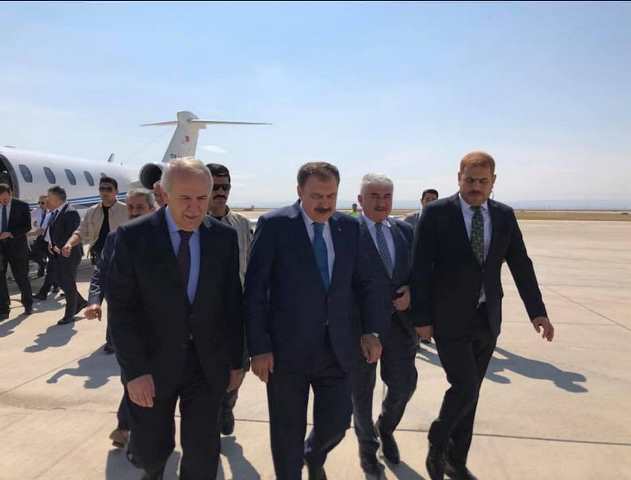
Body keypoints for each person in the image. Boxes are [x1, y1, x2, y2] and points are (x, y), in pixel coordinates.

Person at [410, 151, 554, 480]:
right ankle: (438, 440)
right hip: (448, 317)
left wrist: (538, 312)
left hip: (487, 316)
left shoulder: (503, 215)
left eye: (482, 181)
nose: (475, 186)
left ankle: (456, 460)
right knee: (464, 385)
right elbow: (420, 268)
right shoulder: (437, 213)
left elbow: (521, 264)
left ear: (493, 182)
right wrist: (421, 318)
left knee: (471, 393)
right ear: (458, 178)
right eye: (470, 180)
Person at [244, 162, 390, 480]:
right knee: (286, 432)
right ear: (299, 191)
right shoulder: (275, 225)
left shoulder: (349, 227)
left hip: (337, 349)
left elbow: (367, 282)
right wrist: (258, 347)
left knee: (337, 422)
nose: (325, 204)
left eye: (331, 196)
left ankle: (314, 453)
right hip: (286, 352)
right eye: (316, 196)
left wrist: (371, 331)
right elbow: (255, 289)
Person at [107, 159, 245, 480]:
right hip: (152, 367)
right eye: (185, 198)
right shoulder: (133, 237)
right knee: (151, 451)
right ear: (163, 193)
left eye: (202, 198)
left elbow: (231, 304)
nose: (195, 208)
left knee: (203, 454)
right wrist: (135, 372)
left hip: (206, 365)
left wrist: (237, 361)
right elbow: (122, 310)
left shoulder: (223, 239)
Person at [351, 174, 417, 475]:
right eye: (374, 196)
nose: (381, 202)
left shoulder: (404, 231)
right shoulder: (346, 231)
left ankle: (386, 427)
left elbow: (419, 272)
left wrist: (412, 292)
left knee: (404, 385)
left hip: (400, 327)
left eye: (386, 196)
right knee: (361, 393)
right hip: (360, 329)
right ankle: (367, 448)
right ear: (360, 199)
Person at [84, 188, 156, 448]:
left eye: (140, 207)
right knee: (131, 375)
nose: (134, 212)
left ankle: (127, 427)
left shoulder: (165, 238)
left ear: (153, 209)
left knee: (150, 377)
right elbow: (100, 272)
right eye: (131, 208)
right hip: (126, 323)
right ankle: (126, 426)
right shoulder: (116, 238)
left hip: (158, 324)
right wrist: (94, 301)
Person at [206, 163, 252, 436]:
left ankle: (228, 405)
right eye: (215, 187)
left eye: (225, 187)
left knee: (239, 368)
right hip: (205, 314)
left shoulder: (242, 224)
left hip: (238, 312)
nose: (221, 192)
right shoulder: (193, 223)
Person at [44, 186, 88, 325]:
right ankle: (80, 302)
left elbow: (72, 234)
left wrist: (58, 245)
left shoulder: (70, 212)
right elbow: (53, 231)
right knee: (60, 280)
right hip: (58, 253)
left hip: (70, 254)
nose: (47, 199)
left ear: (57, 198)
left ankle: (69, 315)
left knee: (68, 284)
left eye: (49, 197)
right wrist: (51, 244)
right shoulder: (56, 212)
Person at [63, 176, 127, 265]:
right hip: (99, 256)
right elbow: (81, 232)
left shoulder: (126, 210)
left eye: (109, 189)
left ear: (116, 191)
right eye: (102, 189)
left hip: (120, 256)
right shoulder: (92, 211)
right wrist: (69, 243)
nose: (105, 192)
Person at [0, 184, 34, 318]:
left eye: (5, 199)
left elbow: (27, 226)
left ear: (10, 194)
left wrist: (10, 233)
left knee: (21, 277)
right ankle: (4, 308)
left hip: (17, 248)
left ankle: (28, 304)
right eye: (0, 199)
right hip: (1, 248)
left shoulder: (22, 206)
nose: (3, 201)